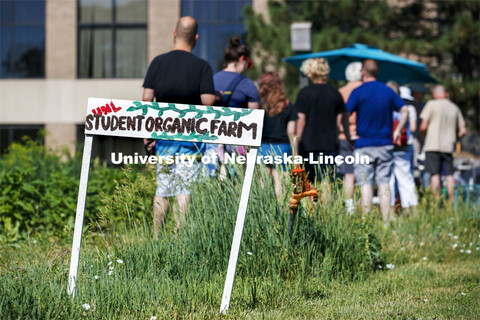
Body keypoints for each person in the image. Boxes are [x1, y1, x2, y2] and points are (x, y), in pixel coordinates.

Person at [142, 16, 216, 239]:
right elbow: (208, 101)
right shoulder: (202, 66)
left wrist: (148, 134)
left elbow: (146, 99)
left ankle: (156, 238)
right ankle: (178, 240)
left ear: (175, 34)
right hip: (190, 139)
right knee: (184, 190)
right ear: (196, 38)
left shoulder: (158, 62)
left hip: (163, 136)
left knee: (162, 188)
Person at [346, 59, 408, 224]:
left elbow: (344, 114)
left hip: (363, 144)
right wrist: (397, 130)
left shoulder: (358, 92)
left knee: (365, 183)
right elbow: (405, 109)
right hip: (385, 144)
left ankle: (366, 222)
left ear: (363, 73)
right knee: (384, 183)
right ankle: (386, 221)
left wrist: (347, 134)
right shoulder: (387, 91)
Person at [295, 58, 346, 185]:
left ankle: (312, 204)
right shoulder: (335, 93)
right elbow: (339, 122)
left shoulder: (304, 93)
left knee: (309, 180)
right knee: (327, 179)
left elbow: (301, 119)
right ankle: (326, 205)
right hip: (328, 144)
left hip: (308, 144)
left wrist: (297, 140)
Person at [212, 36, 259, 166]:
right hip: (238, 141)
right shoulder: (247, 85)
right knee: (239, 181)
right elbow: (254, 119)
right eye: (248, 63)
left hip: (214, 140)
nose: (247, 68)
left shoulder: (212, 80)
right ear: (242, 59)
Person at [419, 85, 467, 202]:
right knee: (449, 175)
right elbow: (463, 130)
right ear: (445, 94)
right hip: (448, 146)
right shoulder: (454, 107)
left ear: (435, 94)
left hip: (432, 145)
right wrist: (455, 137)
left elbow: (423, 126)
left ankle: (437, 204)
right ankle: (452, 204)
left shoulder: (431, 104)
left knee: (434, 175)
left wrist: (422, 137)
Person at [257, 72, 297, 196]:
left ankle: (264, 213)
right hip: (282, 147)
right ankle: (282, 214)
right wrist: (296, 152)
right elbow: (291, 131)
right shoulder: (287, 105)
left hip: (262, 146)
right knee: (281, 187)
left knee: (263, 184)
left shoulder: (259, 105)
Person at [388, 85, 418, 214]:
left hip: (387, 145)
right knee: (406, 179)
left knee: (389, 180)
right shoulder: (407, 108)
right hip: (403, 145)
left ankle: (389, 210)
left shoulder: (385, 107)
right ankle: (411, 210)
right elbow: (412, 128)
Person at [338, 61, 363, 214]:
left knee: (348, 173)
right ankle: (364, 203)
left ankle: (349, 207)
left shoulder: (341, 91)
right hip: (362, 135)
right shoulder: (365, 89)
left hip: (343, 135)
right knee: (364, 172)